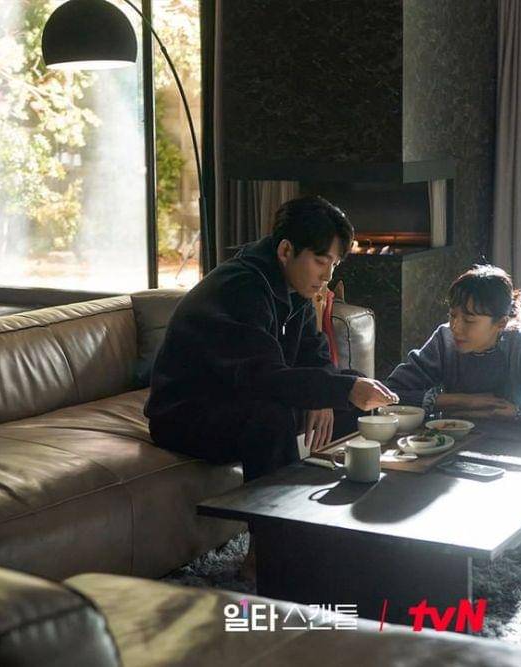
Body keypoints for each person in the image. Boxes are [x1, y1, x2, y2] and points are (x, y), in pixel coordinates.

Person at [145, 195, 398, 484]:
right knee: (271, 415)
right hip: (186, 413)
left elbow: (314, 355)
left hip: (239, 396)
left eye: (334, 264)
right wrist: (335, 390)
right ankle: (277, 511)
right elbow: (264, 378)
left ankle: (345, 493)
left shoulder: (296, 287)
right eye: (320, 261)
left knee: (352, 394)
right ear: (286, 250)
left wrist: (330, 394)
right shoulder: (241, 288)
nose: (327, 276)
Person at [385, 265, 521, 433]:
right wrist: (463, 400)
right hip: (454, 441)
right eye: (452, 315)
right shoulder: (445, 338)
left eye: (469, 320)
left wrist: (513, 413)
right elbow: (390, 394)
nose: (455, 327)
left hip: (514, 443)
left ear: (501, 323)